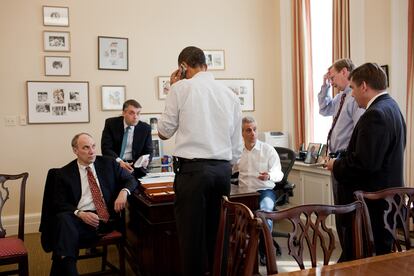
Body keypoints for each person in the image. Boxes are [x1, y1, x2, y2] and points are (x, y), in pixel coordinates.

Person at [157, 46, 243, 276]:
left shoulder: (180, 89)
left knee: (191, 238)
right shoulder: (230, 95)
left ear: (183, 67)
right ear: (205, 64)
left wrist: (171, 88)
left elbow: (164, 132)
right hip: (222, 172)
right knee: (219, 234)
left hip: (193, 173)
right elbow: (237, 147)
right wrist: (224, 166)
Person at [327, 62, 406, 257]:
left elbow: (363, 165)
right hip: (389, 202)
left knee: (360, 261)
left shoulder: (374, 115)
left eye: (353, 88)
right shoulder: (393, 107)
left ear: (364, 86)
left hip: (373, 208)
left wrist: (335, 164)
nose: (352, 94)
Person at [50, 133, 138, 275]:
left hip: (103, 219)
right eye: (86, 147)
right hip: (78, 220)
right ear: (75, 150)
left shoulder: (108, 163)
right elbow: (59, 203)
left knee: (62, 236)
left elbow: (131, 180)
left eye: (93, 146)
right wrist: (80, 213)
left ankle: (64, 261)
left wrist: (124, 192)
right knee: (64, 220)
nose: (92, 151)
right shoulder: (64, 173)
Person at [318, 58, 364, 261]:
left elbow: (358, 130)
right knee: (340, 210)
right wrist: (324, 87)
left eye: (333, 75)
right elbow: (323, 109)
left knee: (347, 211)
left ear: (345, 72)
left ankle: (351, 255)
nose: (331, 79)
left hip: (347, 161)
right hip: (336, 162)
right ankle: (347, 252)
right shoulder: (340, 98)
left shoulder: (354, 98)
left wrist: (346, 157)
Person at [234, 116, 283, 264]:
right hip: (244, 193)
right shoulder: (237, 152)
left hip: (264, 191)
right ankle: (238, 254)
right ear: (242, 133)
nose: (253, 133)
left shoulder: (267, 150)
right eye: (248, 130)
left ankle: (264, 252)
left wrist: (269, 175)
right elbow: (228, 169)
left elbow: (279, 174)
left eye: (255, 129)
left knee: (264, 214)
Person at [101, 99, 153, 178]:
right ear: (124, 113)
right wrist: (119, 162)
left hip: (135, 168)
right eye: (132, 113)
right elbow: (106, 148)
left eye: (138, 113)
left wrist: (146, 161)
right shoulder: (111, 124)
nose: (135, 117)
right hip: (115, 163)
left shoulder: (145, 128)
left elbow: (149, 151)